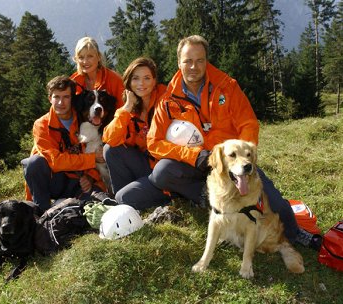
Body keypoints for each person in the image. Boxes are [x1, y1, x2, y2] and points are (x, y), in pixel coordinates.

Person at [124, 35, 321, 249]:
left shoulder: (227, 87)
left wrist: (239, 160)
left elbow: (248, 124)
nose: (193, 66)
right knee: (163, 172)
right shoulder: (168, 100)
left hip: (230, 163)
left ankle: (295, 232)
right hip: (196, 164)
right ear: (179, 62)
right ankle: (207, 198)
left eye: (200, 60)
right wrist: (194, 155)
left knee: (272, 201)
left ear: (207, 61)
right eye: (188, 61)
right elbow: (154, 142)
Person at [21, 75, 106, 212]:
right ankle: (42, 212)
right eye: (56, 97)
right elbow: (56, 162)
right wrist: (91, 159)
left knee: (98, 204)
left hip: (78, 181)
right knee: (33, 163)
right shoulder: (41, 125)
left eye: (66, 97)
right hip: (54, 181)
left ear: (72, 99)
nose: (61, 102)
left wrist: (91, 177)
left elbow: (93, 148)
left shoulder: (84, 118)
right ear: (50, 99)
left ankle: (67, 206)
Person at [102, 57, 170, 206]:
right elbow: (110, 139)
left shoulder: (166, 100)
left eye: (147, 78)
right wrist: (127, 107)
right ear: (129, 82)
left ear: (154, 81)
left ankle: (167, 196)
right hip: (146, 166)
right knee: (111, 150)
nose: (141, 84)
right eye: (136, 78)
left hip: (165, 171)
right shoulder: (130, 108)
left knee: (124, 198)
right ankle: (124, 203)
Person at [70, 36, 124, 108]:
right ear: (76, 59)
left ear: (98, 57)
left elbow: (125, 110)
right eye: (81, 57)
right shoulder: (73, 82)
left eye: (90, 56)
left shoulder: (115, 80)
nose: (85, 62)